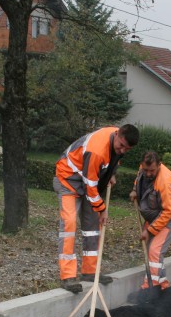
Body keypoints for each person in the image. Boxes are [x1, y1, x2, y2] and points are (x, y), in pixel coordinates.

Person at [53, 124, 139, 294]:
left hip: (88, 180)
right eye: (121, 146)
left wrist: (111, 173)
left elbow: (112, 160)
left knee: (93, 227)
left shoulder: (117, 140)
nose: (122, 150)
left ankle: (90, 272)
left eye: (126, 149)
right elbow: (91, 188)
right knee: (69, 224)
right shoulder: (96, 150)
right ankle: (67, 276)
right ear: (117, 134)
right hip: (68, 178)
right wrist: (102, 209)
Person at [129, 151, 171, 290]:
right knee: (148, 248)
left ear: (159, 165)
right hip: (155, 214)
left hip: (170, 216)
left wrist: (149, 230)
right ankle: (163, 284)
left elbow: (167, 212)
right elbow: (139, 179)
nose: (148, 173)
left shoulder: (166, 182)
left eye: (152, 170)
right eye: (145, 169)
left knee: (155, 250)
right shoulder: (143, 169)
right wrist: (134, 190)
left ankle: (151, 287)